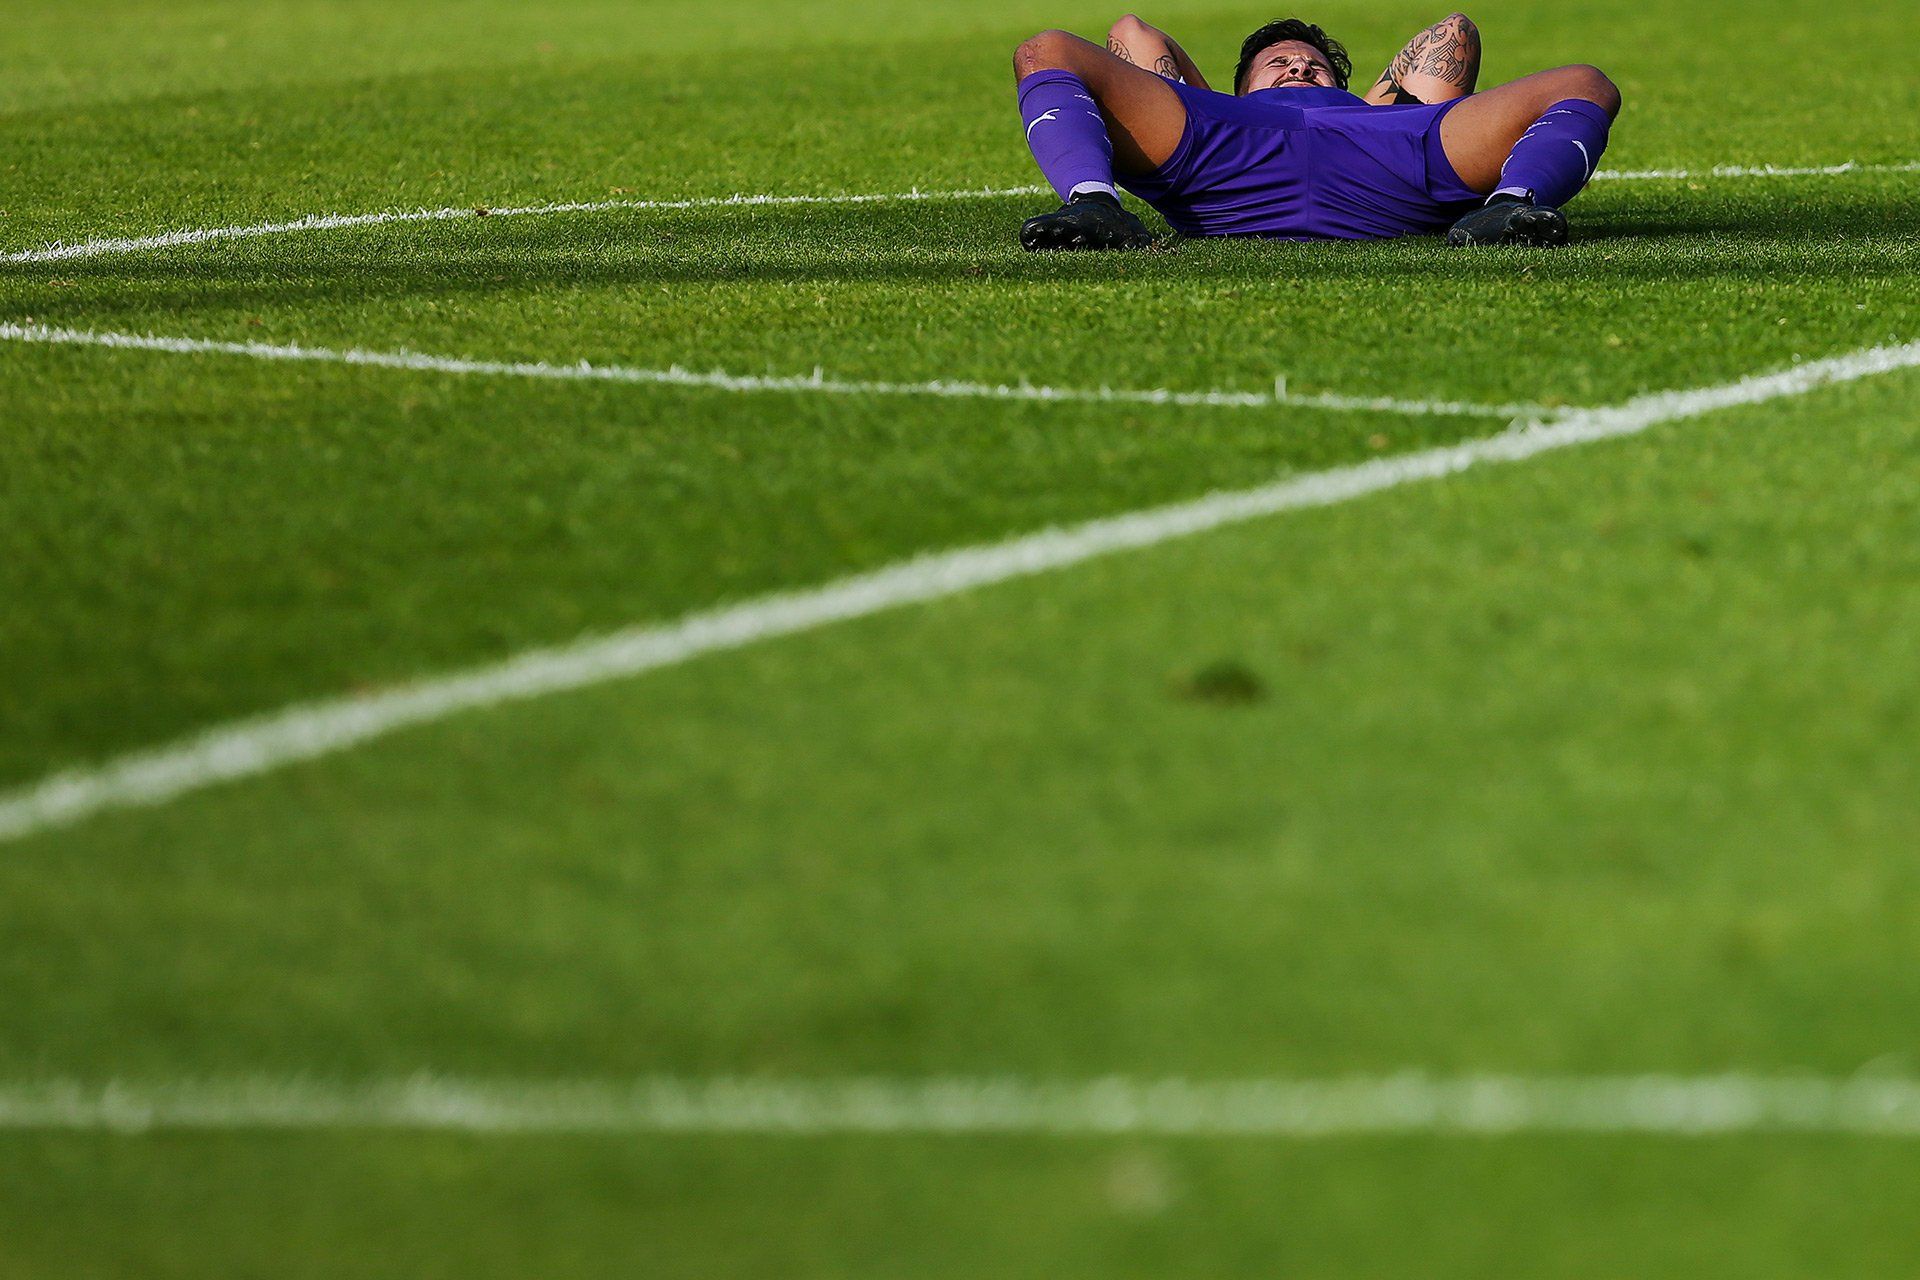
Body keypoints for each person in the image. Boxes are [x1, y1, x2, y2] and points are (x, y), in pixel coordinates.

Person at [1013, 12, 1620, 249]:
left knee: (1586, 82)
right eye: (1277, 62)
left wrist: (1376, 98)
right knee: (1046, 49)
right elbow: (1135, 33)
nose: (1299, 64)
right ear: (1241, 85)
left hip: (1388, 153)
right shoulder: (1210, 107)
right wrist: (1198, 94)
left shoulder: (1380, 108)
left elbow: (1452, 31)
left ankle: (1509, 209)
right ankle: (1094, 207)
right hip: (1228, 153)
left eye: (1314, 63)